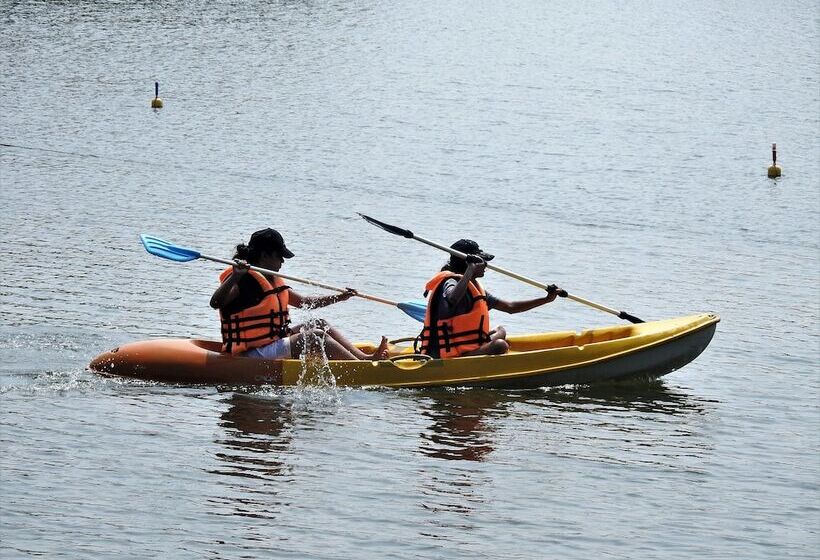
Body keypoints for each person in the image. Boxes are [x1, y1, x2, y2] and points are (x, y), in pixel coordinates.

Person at [210, 228, 388, 361]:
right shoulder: (243, 280)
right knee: (315, 336)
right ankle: (360, 368)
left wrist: (339, 297)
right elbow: (216, 302)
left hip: (271, 344)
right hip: (252, 354)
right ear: (264, 255)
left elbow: (304, 302)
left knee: (319, 323)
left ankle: (364, 359)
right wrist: (234, 277)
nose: (282, 261)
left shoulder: (271, 280)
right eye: (279, 256)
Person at [417, 239, 564, 359]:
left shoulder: (475, 288)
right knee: (500, 345)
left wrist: (546, 299)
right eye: (482, 262)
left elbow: (510, 307)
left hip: (468, 347)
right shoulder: (450, 282)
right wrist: (470, 271)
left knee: (500, 330)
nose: (486, 266)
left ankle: (482, 353)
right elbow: (452, 299)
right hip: (447, 354)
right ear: (469, 264)